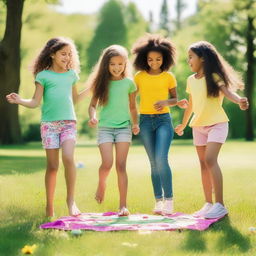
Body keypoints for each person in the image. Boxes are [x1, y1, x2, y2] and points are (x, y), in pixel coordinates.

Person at [6, 37, 90, 217]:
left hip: (68, 123)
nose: (67, 57)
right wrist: (20, 100)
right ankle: (49, 206)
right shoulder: (43, 76)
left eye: (69, 54)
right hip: (49, 125)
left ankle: (71, 201)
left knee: (68, 157)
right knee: (52, 166)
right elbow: (35, 102)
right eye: (63, 54)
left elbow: (74, 100)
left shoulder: (71, 75)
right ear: (52, 54)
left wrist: (91, 89)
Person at [175, 41, 249, 218]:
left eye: (191, 57)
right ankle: (208, 203)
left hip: (217, 123)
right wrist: (184, 124)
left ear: (202, 58)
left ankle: (220, 205)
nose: (189, 60)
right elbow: (191, 105)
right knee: (203, 164)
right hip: (198, 125)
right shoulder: (190, 80)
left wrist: (239, 100)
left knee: (210, 159)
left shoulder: (214, 76)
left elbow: (228, 92)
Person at [131, 34, 188, 215]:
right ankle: (158, 201)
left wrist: (165, 102)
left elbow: (175, 99)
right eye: (150, 59)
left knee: (161, 159)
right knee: (153, 163)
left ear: (164, 59)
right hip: (145, 121)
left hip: (164, 120)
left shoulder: (168, 77)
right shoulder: (139, 77)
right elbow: (131, 99)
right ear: (144, 59)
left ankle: (169, 200)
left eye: (158, 59)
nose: (154, 62)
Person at [88, 45, 139, 216]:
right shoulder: (101, 83)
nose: (117, 68)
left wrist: (135, 123)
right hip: (106, 128)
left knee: (121, 165)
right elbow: (92, 105)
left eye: (120, 64)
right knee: (107, 163)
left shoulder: (129, 84)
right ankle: (102, 183)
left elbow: (133, 107)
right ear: (106, 65)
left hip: (124, 127)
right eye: (112, 64)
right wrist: (92, 116)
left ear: (125, 64)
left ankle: (123, 205)